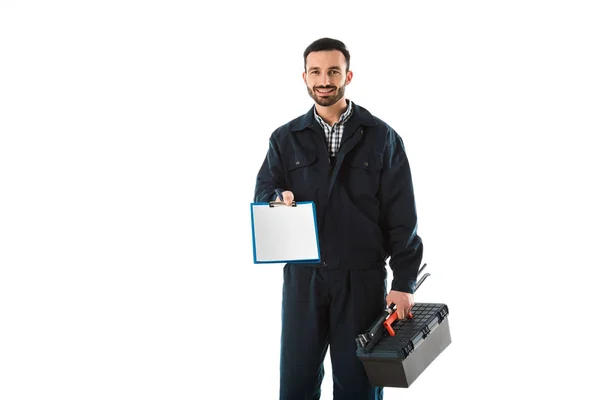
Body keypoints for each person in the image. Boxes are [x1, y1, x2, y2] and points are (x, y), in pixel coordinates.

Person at [253, 37, 424, 400]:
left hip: (360, 279)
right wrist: (275, 199)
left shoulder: (382, 137)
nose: (324, 80)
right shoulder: (285, 139)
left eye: (333, 71)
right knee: (296, 383)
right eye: (316, 72)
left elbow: (402, 215)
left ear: (349, 75)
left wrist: (405, 281)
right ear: (304, 77)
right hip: (304, 278)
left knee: (358, 386)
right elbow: (264, 189)